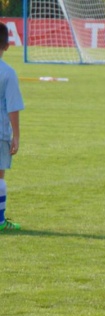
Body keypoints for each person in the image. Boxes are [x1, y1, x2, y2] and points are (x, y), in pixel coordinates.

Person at [0, 22, 24, 232]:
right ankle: (0, 220)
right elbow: (13, 107)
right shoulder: (8, 73)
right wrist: (16, 136)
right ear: (7, 46)